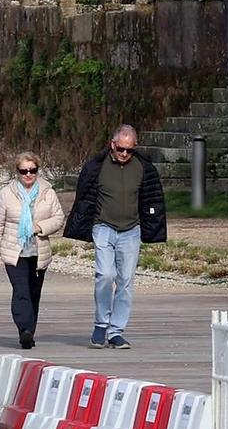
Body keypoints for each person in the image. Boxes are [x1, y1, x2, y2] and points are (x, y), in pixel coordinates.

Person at [63, 123, 166, 350]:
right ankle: (101, 325)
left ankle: (116, 331)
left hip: (131, 229)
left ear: (135, 147)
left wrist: (153, 226)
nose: (124, 154)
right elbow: (84, 197)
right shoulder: (96, 166)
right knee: (105, 275)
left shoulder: (144, 167)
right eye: (121, 149)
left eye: (129, 150)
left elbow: (153, 199)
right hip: (103, 227)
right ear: (112, 144)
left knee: (126, 281)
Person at [0, 151, 65, 349]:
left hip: (39, 252)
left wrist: (40, 227)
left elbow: (58, 218)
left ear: (38, 170)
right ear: (17, 172)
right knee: (21, 291)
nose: (28, 175)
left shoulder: (48, 192)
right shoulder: (6, 194)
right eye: (24, 171)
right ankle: (24, 330)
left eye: (32, 170)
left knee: (34, 293)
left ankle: (30, 329)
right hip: (15, 251)